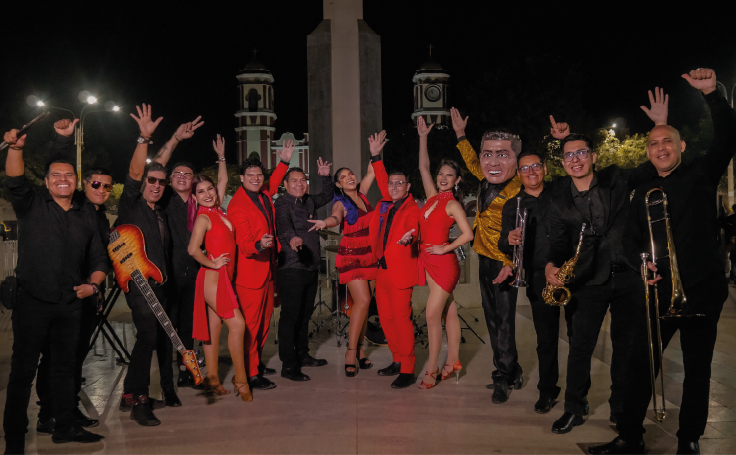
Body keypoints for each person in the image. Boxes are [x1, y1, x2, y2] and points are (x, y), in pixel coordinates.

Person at [590, 69, 736, 455]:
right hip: (659, 292)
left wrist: (712, 95)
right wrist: (642, 263)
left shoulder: (702, 173)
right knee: (640, 365)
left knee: (698, 369)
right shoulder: (643, 190)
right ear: (648, 151)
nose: (660, 148)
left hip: (702, 289)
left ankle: (689, 439)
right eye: (654, 143)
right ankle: (630, 436)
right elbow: (630, 238)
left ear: (682, 145)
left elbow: (728, 137)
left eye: (667, 141)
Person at [544, 96, 662, 433]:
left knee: (625, 348)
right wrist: (551, 265)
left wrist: (659, 125)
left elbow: (651, 166)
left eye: (582, 153)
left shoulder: (615, 178)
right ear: (563, 162)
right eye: (569, 155)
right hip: (586, 281)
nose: (576, 159)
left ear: (594, 157)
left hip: (628, 278)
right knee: (580, 349)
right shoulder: (558, 199)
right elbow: (558, 242)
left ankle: (620, 408)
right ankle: (574, 408)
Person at [2, 127, 107, 453]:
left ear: (77, 182)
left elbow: (99, 258)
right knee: (22, 374)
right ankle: (14, 441)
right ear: (47, 182)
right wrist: (16, 149)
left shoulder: (85, 215)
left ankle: (65, 427)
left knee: (64, 370)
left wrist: (93, 285)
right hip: (31, 303)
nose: (63, 179)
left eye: (69, 175)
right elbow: (15, 180)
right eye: (56, 175)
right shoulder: (31, 205)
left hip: (69, 305)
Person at [36, 119, 115, 434]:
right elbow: (55, 170)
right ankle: (48, 414)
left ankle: (66, 409)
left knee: (75, 357)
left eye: (107, 186)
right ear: (84, 185)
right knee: (54, 358)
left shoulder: (101, 217)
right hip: (62, 297)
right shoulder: (73, 207)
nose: (101, 190)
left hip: (87, 297)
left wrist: (96, 290)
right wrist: (62, 139)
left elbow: (100, 258)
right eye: (96, 184)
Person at [450, 107, 524, 404]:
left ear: (516, 159)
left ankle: (502, 374)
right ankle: (512, 369)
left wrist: (510, 263)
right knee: (492, 319)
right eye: (488, 154)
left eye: (502, 155)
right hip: (484, 257)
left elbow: (521, 233)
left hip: (506, 263)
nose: (492, 162)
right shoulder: (485, 174)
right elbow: (471, 160)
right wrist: (460, 135)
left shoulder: (519, 190)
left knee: (503, 321)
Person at [498, 130, 574, 413]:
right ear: (518, 174)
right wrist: (509, 240)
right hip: (539, 277)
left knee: (579, 338)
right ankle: (548, 390)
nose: (531, 172)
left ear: (545, 168)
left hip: (571, 270)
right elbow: (502, 243)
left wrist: (565, 139)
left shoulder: (562, 192)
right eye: (525, 168)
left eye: (536, 166)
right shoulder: (513, 206)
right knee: (546, 338)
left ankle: (577, 395)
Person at [116, 104, 178, 426]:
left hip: (160, 285)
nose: (156, 185)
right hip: (139, 286)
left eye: (161, 182)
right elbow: (136, 172)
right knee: (148, 336)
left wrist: (176, 140)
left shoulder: (161, 212)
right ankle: (139, 400)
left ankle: (129, 393)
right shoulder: (131, 205)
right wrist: (144, 139)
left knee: (152, 338)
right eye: (151, 180)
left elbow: (161, 166)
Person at [187, 135, 252, 402]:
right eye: (201, 192)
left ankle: (212, 380)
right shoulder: (203, 217)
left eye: (210, 189)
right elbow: (193, 249)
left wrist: (222, 157)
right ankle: (241, 380)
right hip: (213, 279)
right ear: (194, 197)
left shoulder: (219, 211)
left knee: (213, 331)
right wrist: (212, 262)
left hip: (225, 278)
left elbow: (223, 180)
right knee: (238, 325)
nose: (208, 194)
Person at [228, 141, 294, 390]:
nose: (256, 178)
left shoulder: (263, 193)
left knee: (264, 323)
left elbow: (274, 182)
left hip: (267, 271)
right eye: (250, 175)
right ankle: (250, 372)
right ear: (241, 178)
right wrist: (259, 244)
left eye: (258, 175)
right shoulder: (237, 206)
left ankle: (255, 362)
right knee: (251, 325)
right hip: (250, 275)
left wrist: (284, 161)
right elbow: (244, 245)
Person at [414, 117, 474, 389]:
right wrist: (423, 137)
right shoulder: (431, 197)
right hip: (428, 260)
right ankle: (453, 361)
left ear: (457, 180)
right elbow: (423, 167)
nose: (442, 178)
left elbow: (467, 234)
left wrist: (445, 247)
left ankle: (432, 368)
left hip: (444, 263)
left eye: (449, 175)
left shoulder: (452, 205)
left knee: (431, 315)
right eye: (441, 174)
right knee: (449, 310)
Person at [307, 152, 378, 377]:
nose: (349, 177)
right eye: (343, 176)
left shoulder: (363, 194)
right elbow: (336, 218)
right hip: (351, 256)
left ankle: (360, 349)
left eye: (351, 174)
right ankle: (350, 351)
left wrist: (375, 152)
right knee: (362, 301)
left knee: (365, 306)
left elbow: (372, 171)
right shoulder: (341, 202)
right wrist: (324, 222)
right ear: (338, 184)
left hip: (370, 255)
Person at [148, 115, 204, 388]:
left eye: (187, 175)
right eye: (177, 174)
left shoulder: (199, 203)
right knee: (164, 326)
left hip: (193, 274)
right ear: (170, 179)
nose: (182, 178)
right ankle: (165, 376)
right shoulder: (163, 198)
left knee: (188, 326)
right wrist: (175, 139)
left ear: (193, 180)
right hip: (167, 274)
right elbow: (156, 166)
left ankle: (186, 369)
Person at [367, 132, 420, 389]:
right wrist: (375, 156)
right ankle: (397, 360)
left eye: (400, 183)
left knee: (402, 321)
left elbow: (414, 227)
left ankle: (408, 369)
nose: (395, 187)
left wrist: (411, 237)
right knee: (386, 320)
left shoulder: (412, 209)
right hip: (382, 271)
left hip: (400, 274)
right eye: (392, 184)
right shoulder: (387, 203)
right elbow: (381, 178)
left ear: (408, 187)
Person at [274, 159, 334, 381]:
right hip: (292, 267)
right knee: (290, 317)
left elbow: (327, 195)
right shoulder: (282, 203)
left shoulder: (308, 200)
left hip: (310, 266)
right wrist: (292, 238)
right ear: (286, 184)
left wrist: (325, 176)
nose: (299, 184)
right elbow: (283, 225)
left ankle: (302, 354)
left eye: (303, 180)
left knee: (305, 314)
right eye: (294, 181)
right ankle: (288, 365)